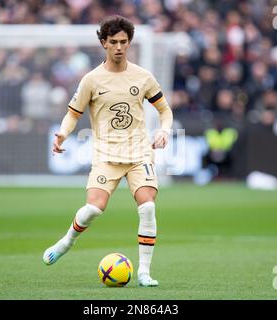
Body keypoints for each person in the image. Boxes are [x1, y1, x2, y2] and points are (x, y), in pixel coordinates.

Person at [42, 15, 173, 287]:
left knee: (147, 206)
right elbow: (72, 113)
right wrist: (63, 134)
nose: (119, 47)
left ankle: (144, 273)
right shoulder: (91, 80)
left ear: (130, 43)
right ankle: (67, 241)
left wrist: (163, 130)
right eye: (113, 42)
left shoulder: (143, 76)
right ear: (103, 43)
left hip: (139, 154)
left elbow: (164, 110)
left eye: (124, 42)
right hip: (106, 156)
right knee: (94, 209)